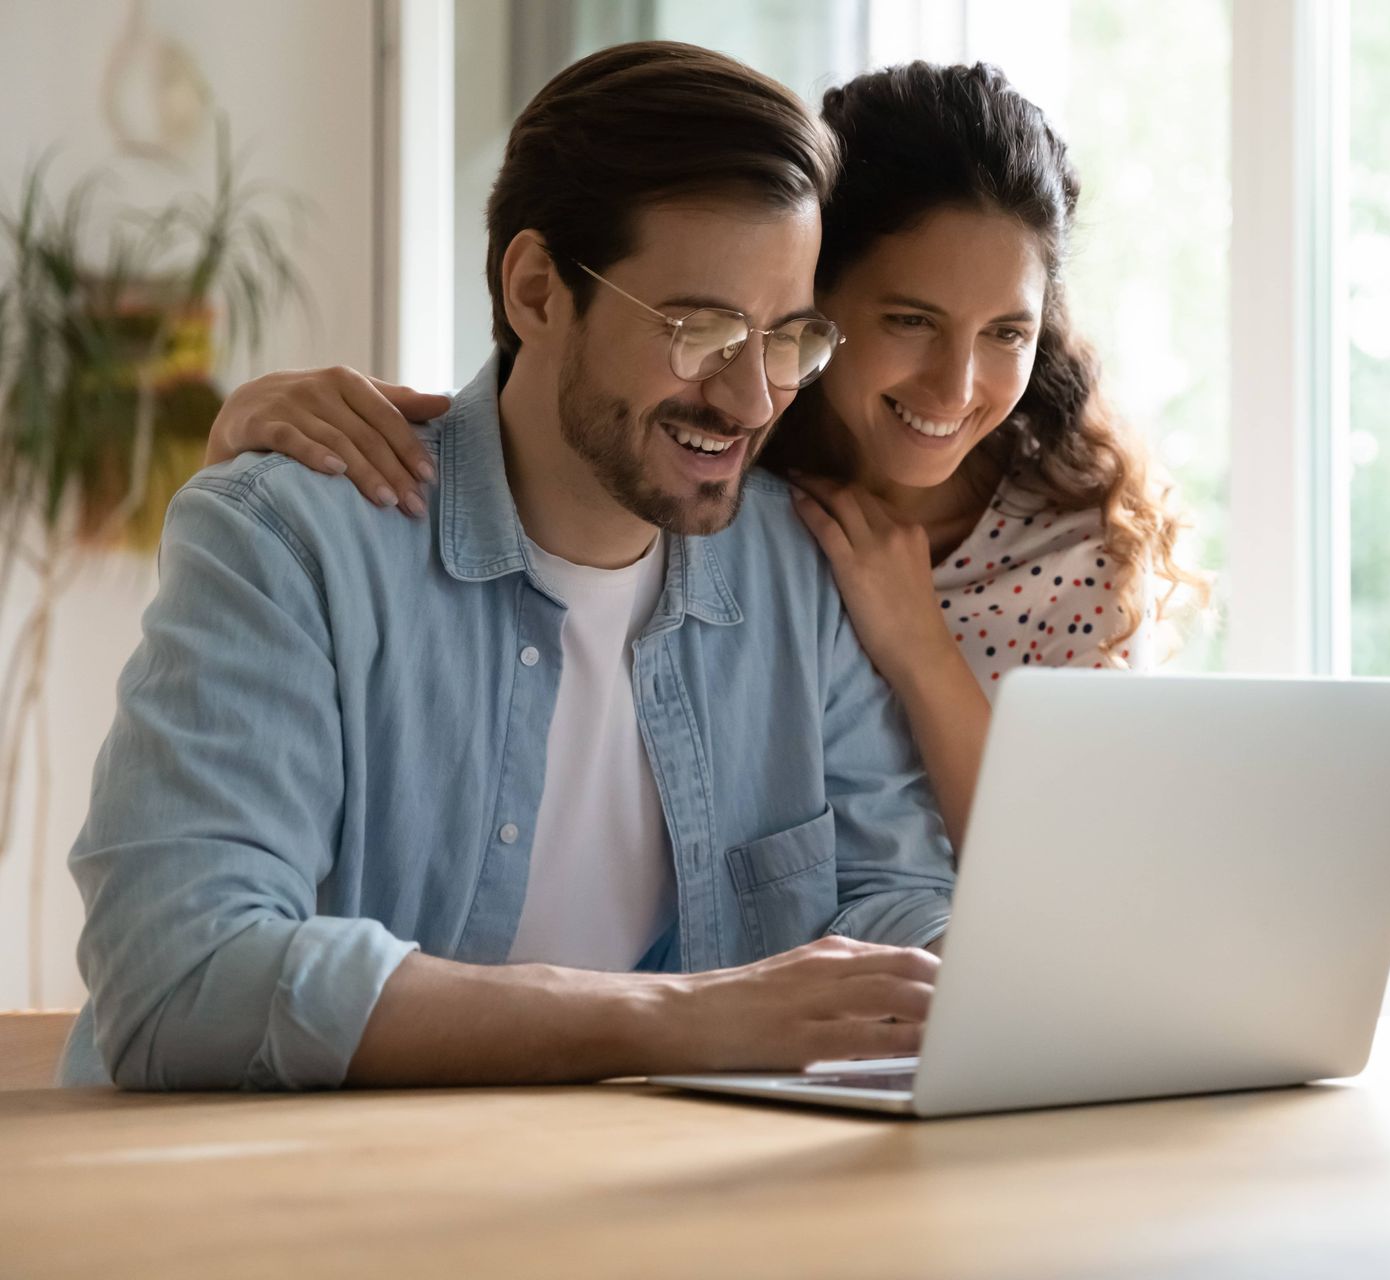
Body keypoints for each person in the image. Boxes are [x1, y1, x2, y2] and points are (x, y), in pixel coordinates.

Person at [63, 41, 954, 1092]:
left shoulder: (800, 570)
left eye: (789, 342)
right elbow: (181, 972)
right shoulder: (288, 543)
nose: (755, 399)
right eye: (701, 330)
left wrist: (989, 981)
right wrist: (677, 1018)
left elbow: (890, 896)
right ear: (536, 289)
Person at [206, 62, 1206, 850]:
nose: (955, 388)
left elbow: (1080, 882)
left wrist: (918, 645)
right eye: (908, 319)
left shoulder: (1070, 550)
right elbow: (565, 398)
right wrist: (249, 422)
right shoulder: (724, 473)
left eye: (1008, 332)